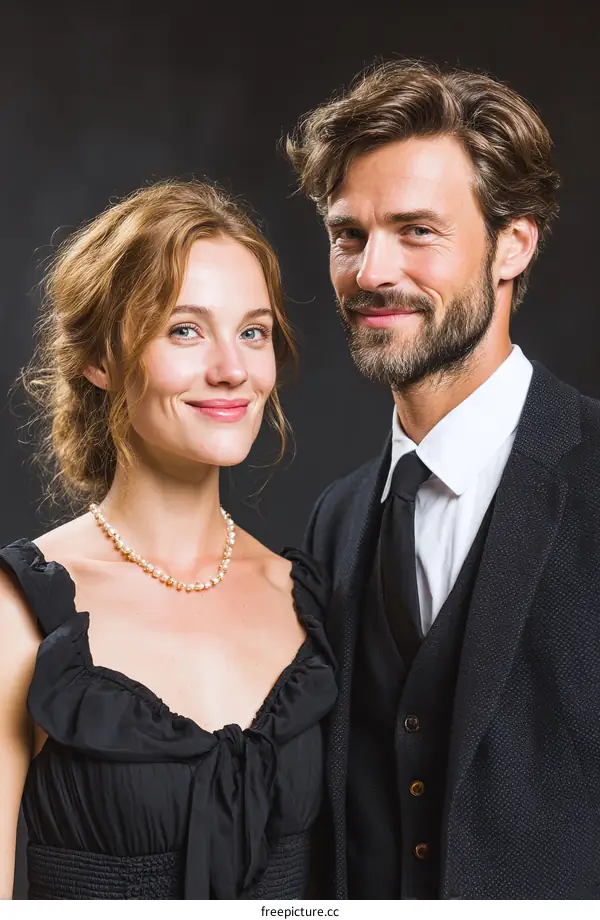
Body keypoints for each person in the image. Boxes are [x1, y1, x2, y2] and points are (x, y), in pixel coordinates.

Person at [287, 59, 600, 899]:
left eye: (417, 230)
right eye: (349, 235)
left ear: (513, 245)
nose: (371, 272)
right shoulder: (335, 522)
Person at [0, 180, 336, 900]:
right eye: (185, 330)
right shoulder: (17, 613)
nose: (233, 370)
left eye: (253, 332)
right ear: (100, 360)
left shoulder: (308, 598)